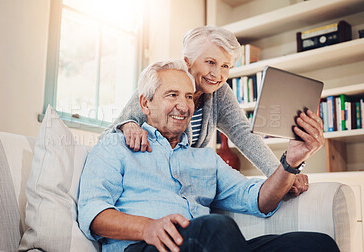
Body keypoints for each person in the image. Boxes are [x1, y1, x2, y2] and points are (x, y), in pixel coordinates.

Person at [78, 60, 338, 252]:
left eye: (189, 97)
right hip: (143, 246)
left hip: (209, 244)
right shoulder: (116, 146)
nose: (184, 106)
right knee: (215, 227)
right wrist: (148, 227)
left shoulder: (205, 159)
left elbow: (258, 200)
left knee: (316, 244)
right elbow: (93, 212)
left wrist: (290, 163)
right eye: (172, 95)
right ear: (145, 104)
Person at [100, 25, 308, 196]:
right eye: (210, 62)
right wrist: (128, 125)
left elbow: (245, 135)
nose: (217, 74)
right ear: (188, 62)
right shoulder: (162, 82)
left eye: (225, 66)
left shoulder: (220, 93)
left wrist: (282, 174)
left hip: (188, 186)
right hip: (152, 183)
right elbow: (108, 136)